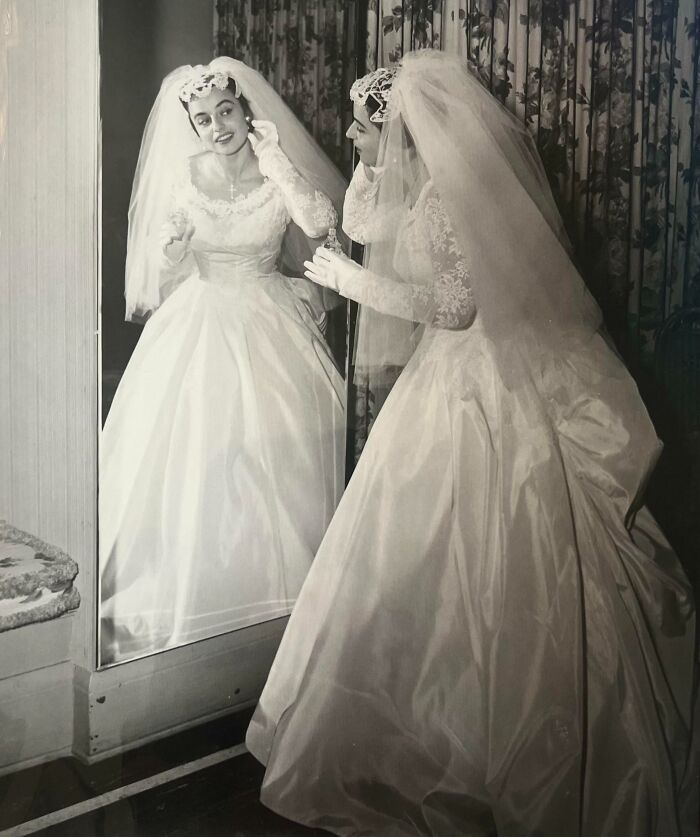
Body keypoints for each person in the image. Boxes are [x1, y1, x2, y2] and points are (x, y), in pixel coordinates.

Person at [246, 51, 699, 836]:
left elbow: (454, 309)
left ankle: (480, 750)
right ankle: (416, 732)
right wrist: (303, 165)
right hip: (444, 380)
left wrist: (353, 285)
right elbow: (357, 223)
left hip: (482, 384)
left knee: (485, 563)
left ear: (406, 134)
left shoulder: (449, 202)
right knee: (412, 559)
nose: (352, 133)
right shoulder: (416, 188)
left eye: (364, 125)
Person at [99, 58, 347, 666]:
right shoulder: (185, 177)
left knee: (278, 448)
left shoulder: (273, 166)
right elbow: (163, 267)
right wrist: (173, 250)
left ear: (244, 110)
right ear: (193, 125)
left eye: (225, 113)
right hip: (201, 318)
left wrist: (279, 165)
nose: (217, 127)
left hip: (270, 318)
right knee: (198, 450)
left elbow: (321, 225)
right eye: (203, 119)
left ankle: (294, 608)